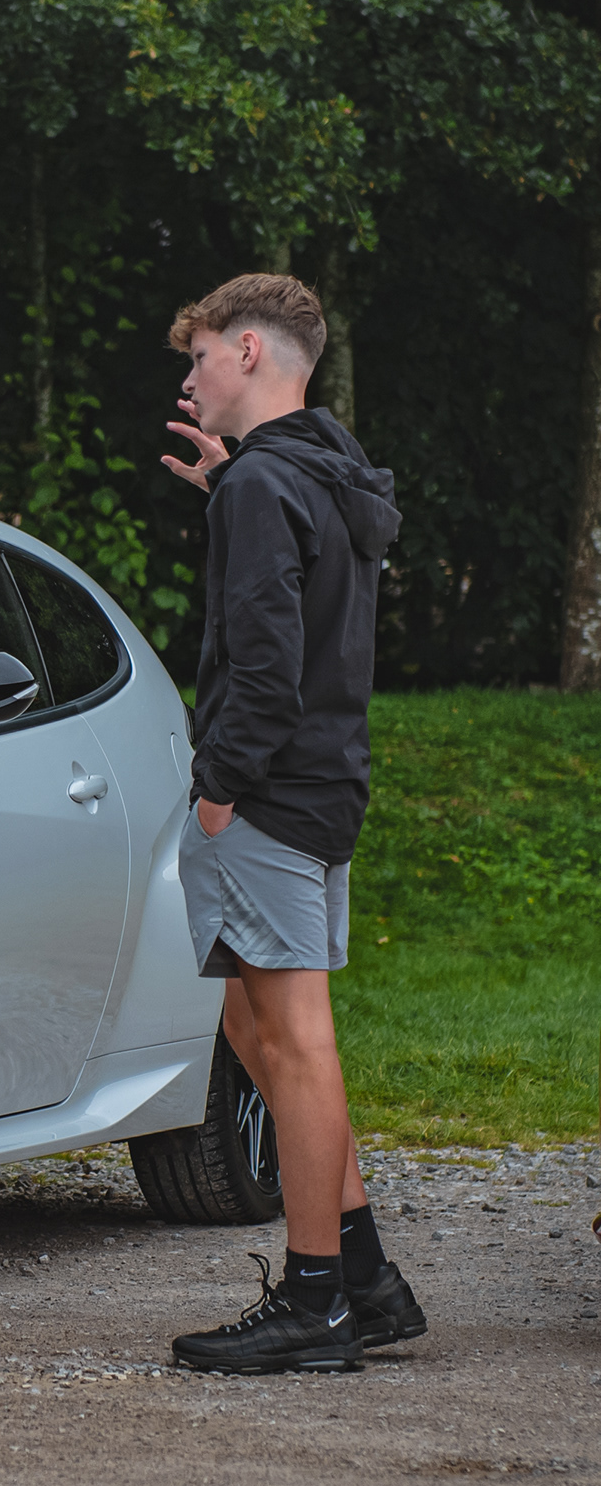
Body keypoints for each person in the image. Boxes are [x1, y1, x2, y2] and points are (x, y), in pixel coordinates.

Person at [159, 272, 426, 1374]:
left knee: (296, 1042)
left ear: (251, 352)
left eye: (201, 356)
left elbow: (267, 666)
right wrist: (232, 484)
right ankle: (366, 1278)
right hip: (323, 786)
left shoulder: (268, 486)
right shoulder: (316, 472)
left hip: (267, 796)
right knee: (253, 1025)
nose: (190, 380)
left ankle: (316, 1301)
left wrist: (219, 787)